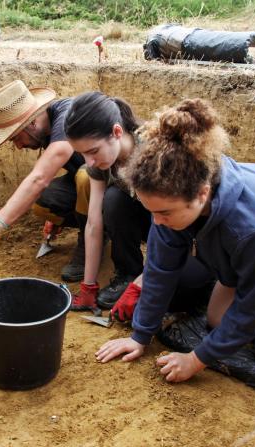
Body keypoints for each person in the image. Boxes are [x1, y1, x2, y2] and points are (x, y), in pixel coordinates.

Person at [96, 98, 255, 383]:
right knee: (218, 320)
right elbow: (160, 271)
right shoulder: (171, 199)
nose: (157, 223)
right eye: (152, 212)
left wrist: (195, 360)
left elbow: (251, 312)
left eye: (164, 213)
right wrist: (140, 335)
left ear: (202, 194)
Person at [0, 80, 90, 282]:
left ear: (32, 123)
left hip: (123, 191)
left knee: (85, 176)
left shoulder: (68, 115)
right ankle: (89, 224)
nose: (18, 146)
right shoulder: (46, 129)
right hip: (90, 183)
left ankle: (96, 240)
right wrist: (64, 209)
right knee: (46, 203)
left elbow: (40, 178)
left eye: (16, 138)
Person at [62, 92, 151, 312]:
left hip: (179, 230)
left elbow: (170, 228)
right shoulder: (100, 162)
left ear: (117, 132)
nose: (89, 162)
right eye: (82, 154)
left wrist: (143, 284)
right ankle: (128, 273)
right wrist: (88, 286)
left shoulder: (152, 153)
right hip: (145, 217)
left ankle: (144, 279)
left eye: (93, 151)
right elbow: (93, 224)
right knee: (113, 200)